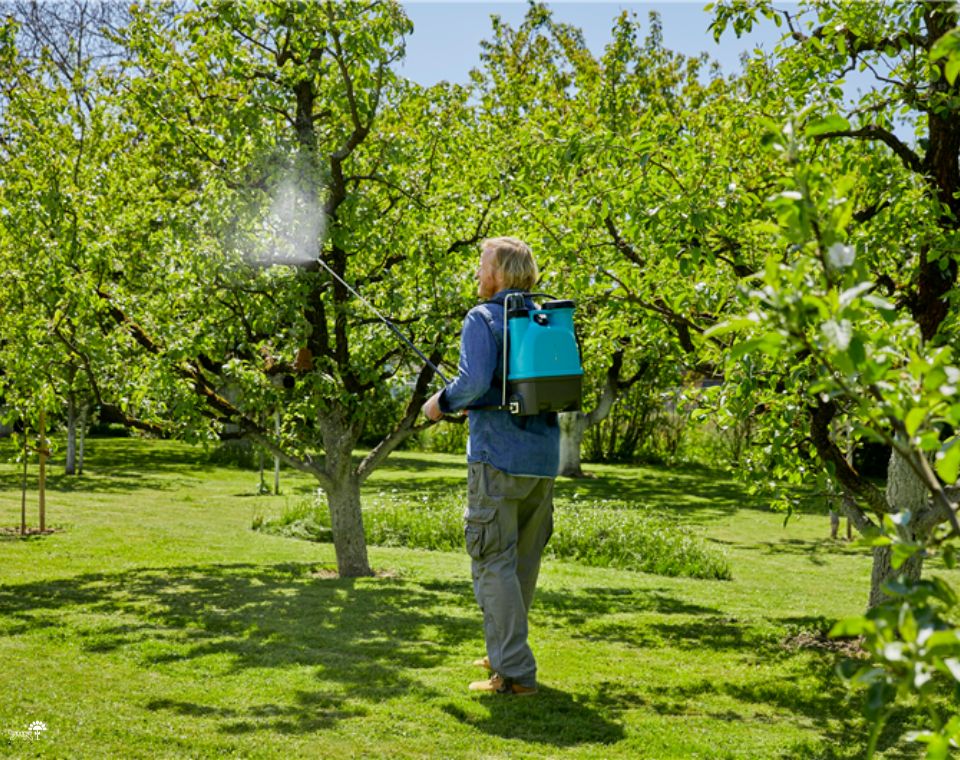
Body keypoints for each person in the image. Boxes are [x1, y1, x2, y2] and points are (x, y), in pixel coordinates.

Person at [421, 236, 558, 696]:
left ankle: (513, 673)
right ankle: (503, 650)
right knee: (520, 565)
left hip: (497, 458)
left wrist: (440, 403)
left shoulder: (482, 318)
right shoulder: (543, 319)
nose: (477, 274)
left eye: (482, 266)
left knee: (492, 562)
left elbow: (474, 380)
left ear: (499, 273)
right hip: (542, 461)